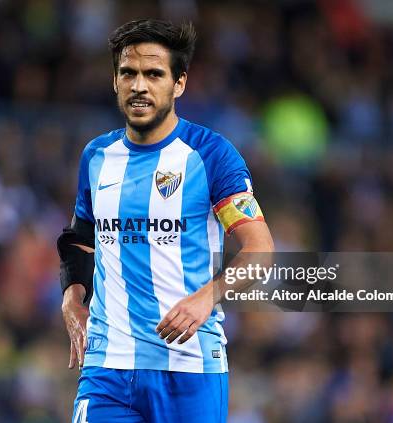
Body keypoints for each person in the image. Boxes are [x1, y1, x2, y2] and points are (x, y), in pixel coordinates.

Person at [57, 19, 274, 423]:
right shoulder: (97, 156)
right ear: (115, 81)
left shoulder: (210, 155)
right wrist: (72, 298)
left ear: (179, 84)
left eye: (154, 74)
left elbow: (260, 249)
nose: (140, 85)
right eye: (129, 73)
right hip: (107, 367)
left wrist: (206, 297)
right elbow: (80, 236)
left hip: (189, 369)